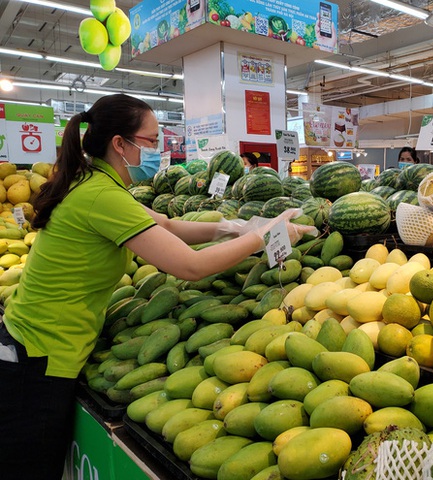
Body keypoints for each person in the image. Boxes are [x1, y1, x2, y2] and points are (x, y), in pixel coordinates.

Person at [0, 94, 313, 480]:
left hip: (37, 344)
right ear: (120, 144)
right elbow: (190, 266)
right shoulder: (102, 195)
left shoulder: (98, 182)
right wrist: (264, 236)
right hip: (39, 356)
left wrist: (233, 227)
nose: (157, 150)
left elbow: (164, 224)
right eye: (150, 141)